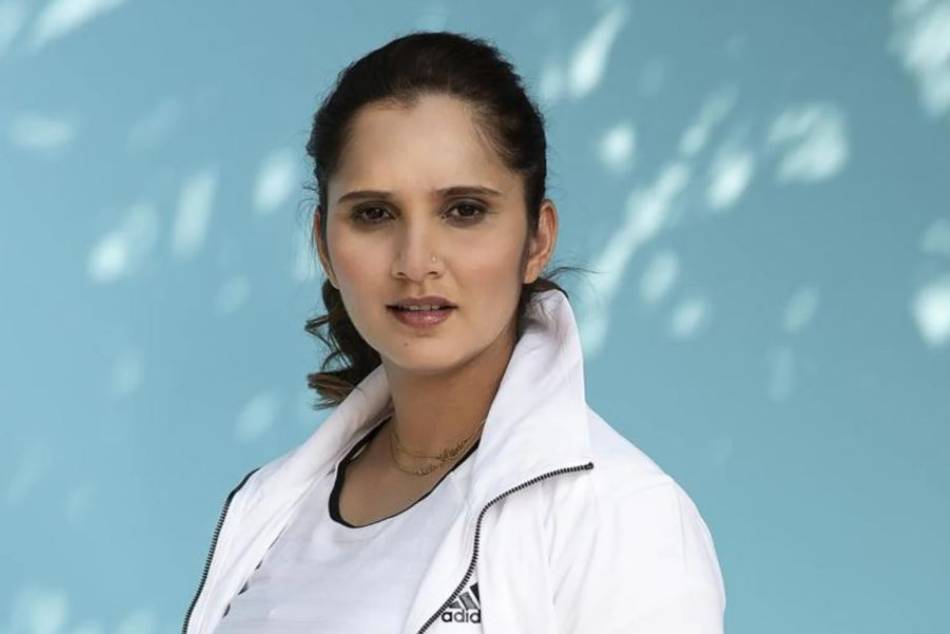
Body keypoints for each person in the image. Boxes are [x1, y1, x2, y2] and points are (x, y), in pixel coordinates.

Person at [181, 30, 726, 634]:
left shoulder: (623, 516)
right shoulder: (271, 508)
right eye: (374, 214)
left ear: (537, 240)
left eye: (464, 210)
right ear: (325, 247)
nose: (416, 262)